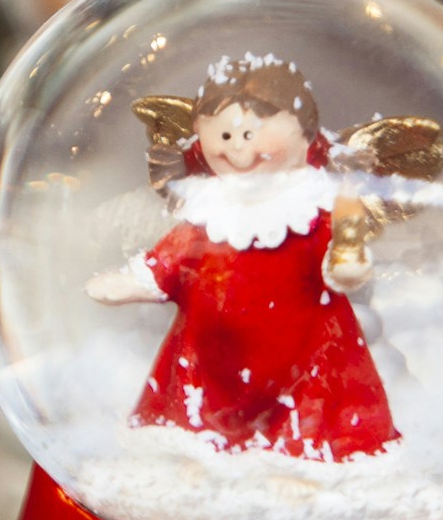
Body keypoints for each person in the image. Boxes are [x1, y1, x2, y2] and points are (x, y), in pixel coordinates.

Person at [88, 54, 398, 462]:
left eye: (252, 135)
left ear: (305, 139)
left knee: (311, 408)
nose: (238, 151)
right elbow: (179, 253)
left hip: (303, 350)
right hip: (212, 353)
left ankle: (305, 462)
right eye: (226, 137)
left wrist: (344, 263)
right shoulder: (209, 211)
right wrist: (139, 280)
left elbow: (339, 249)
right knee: (197, 413)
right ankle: (200, 450)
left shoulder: (307, 211)